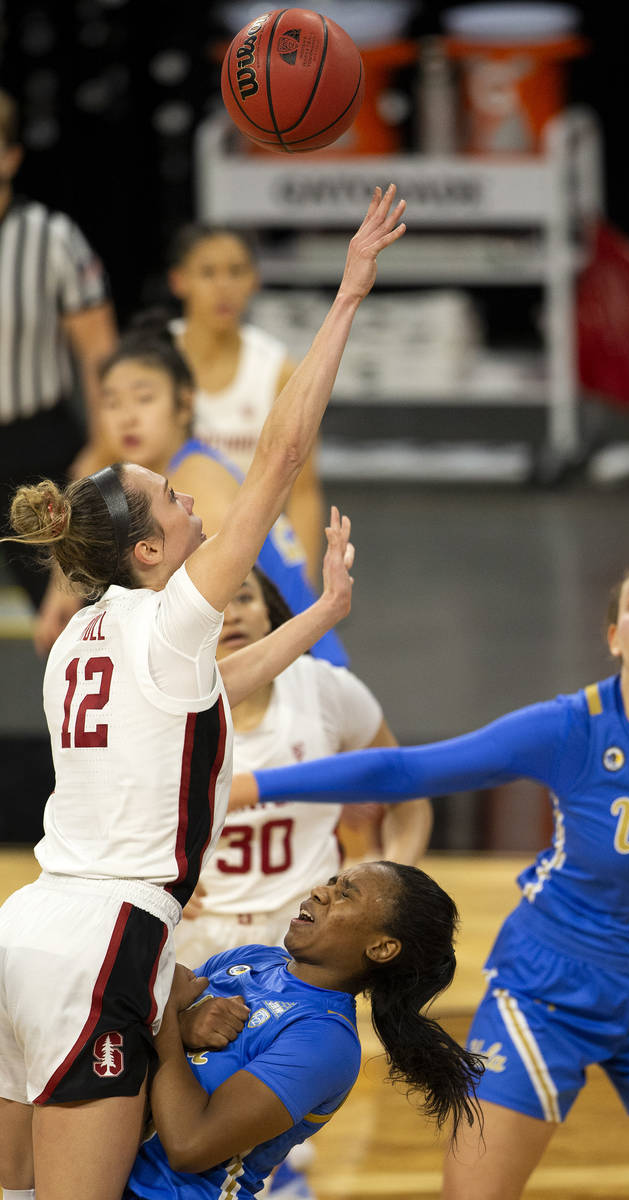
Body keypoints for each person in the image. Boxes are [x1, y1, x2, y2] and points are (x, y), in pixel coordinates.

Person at [0, 184, 406, 1200]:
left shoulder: (76, 640)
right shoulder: (168, 614)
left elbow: (212, 688)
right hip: (109, 940)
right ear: (148, 551)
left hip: (26, 924)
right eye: (173, 500)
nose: (190, 499)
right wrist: (349, 292)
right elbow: (279, 454)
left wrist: (315, 620)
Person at [236, 548, 629, 1200]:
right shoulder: (571, 728)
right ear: (614, 638)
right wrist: (249, 785)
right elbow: (404, 772)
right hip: (548, 995)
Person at [123, 861, 483, 1200]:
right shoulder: (249, 959)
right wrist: (179, 1025)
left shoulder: (326, 1040)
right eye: (330, 883)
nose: (320, 892)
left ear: (381, 948)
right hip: (103, 1173)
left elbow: (190, 1145)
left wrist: (166, 1014)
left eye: (345, 894)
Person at [32, 320, 349, 667]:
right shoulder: (160, 474)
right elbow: (90, 469)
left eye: (144, 399)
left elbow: (233, 626)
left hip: (295, 671)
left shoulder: (195, 492)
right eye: (112, 403)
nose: (127, 418)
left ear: (184, 405)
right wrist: (60, 587)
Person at [175, 564, 433, 968]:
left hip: (306, 927)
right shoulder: (160, 704)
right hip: (190, 928)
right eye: (217, 604)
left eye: (244, 597)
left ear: (269, 611)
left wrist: (388, 885)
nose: (234, 614)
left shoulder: (325, 687)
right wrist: (149, 877)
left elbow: (408, 797)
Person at [0, 87, 117, 607]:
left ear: (11, 156)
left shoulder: (51, 237)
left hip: (35, 447)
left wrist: (100, 448)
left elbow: (100, 352)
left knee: (73, 613)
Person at [167, 223, 325, 576]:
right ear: (179, 281)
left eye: (236, 272)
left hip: (253, 561)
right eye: (208, 273)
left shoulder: (278, 371)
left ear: (255, 280)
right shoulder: (152, 361)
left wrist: (303, 586)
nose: (224, 287)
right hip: (163, 556)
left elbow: (303, 492)